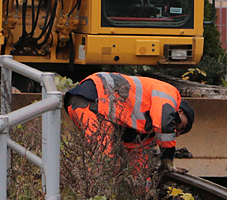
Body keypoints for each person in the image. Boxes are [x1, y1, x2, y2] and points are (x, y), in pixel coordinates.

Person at [63, 72, 194, 171]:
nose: (177, 133)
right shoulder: (169, 92)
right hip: (95, 99)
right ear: (180, 111)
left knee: (107, 164)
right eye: (182, 127)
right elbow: (163, 123)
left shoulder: (143, 128)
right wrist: (167, 158)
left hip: (87, 104)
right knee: (102, 163)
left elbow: (137, 159)